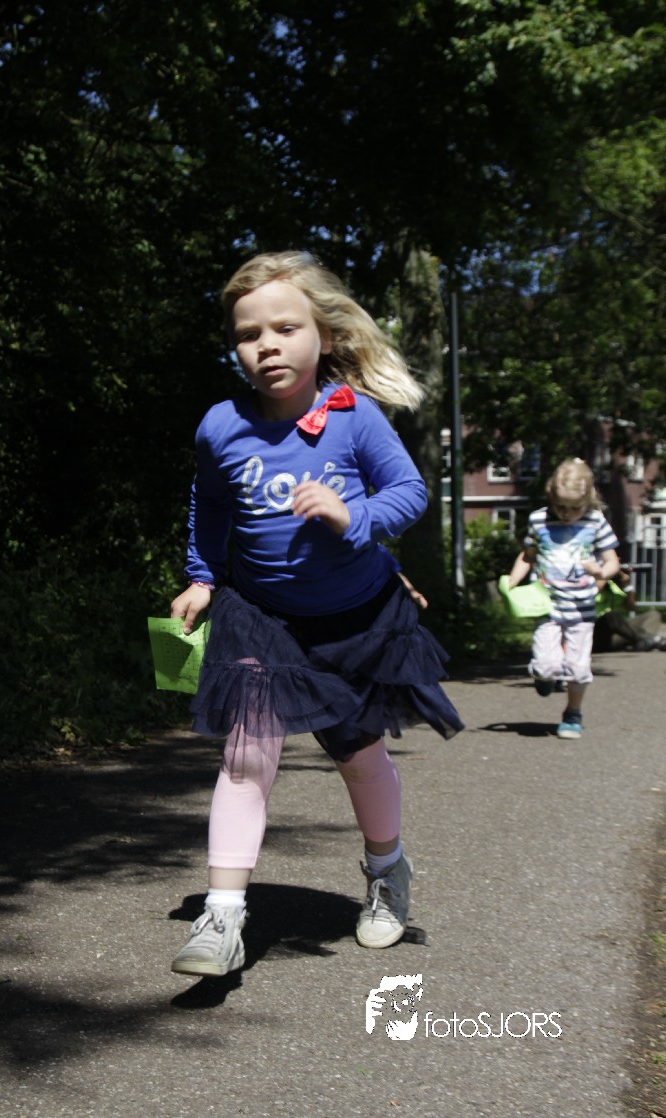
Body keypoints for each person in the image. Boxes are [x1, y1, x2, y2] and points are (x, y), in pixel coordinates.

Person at [169, 250, 463, 977]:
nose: (267, 345)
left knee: (358, 756)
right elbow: (210, 502)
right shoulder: (221, 425)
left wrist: (353, 515)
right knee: (247, 754)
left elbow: (410, 492)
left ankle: (387, 872)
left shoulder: (352, 417)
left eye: (285, 328)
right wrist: (202, 577)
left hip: (355, 619)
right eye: (248, 334)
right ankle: (222, 916)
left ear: (324, 337)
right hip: (261, 614)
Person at [506, 458, 620, 740]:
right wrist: (512, 580)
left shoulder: (595, 522)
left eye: (574, 508)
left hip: (582, 609)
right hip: (548, 605)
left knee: (578, 668)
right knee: (545, 666)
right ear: (551, 497)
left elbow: (612, 561)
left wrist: (601, 572)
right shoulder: (539, 520)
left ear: (588, 499)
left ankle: (572, 713)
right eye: (561, 507)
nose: (567, 514)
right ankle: (544, 677)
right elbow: (527, 556)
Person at [593, 565, 666, 652]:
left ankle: (643, 641)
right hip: (594, 634)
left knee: (653, 614)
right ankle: (648, 639)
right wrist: (604, 575)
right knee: (610, 616)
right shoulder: (590, 581)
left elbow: (631, 607)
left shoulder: (613, 587)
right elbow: (593, 591)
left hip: (615, 633)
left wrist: (627, 585)